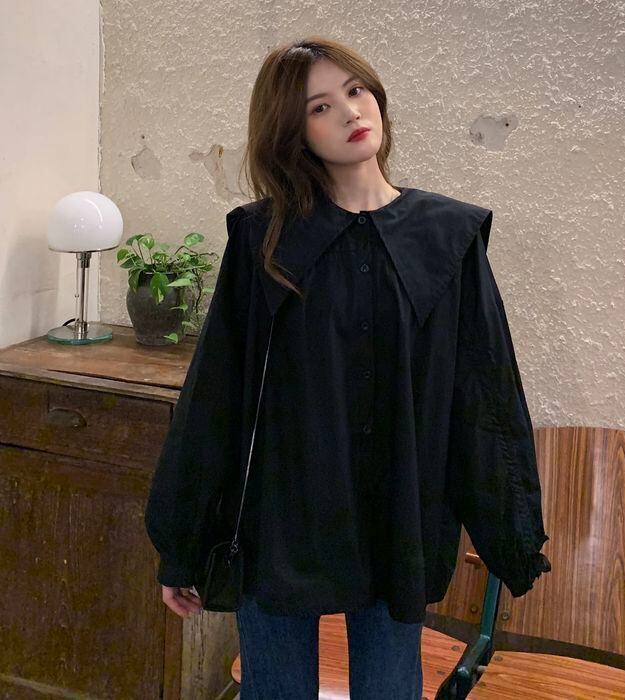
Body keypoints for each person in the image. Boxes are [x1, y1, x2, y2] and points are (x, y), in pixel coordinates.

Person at [144, 36, 551, 700]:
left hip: (400, 520)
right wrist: (182, 544)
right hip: (280, 523)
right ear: (293, 132)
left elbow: (485, 392)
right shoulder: (263, 239)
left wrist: (512, 534)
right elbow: (216, 395)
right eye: (320, 107)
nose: (349, 113)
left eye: (355, 91)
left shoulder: (447, 238)